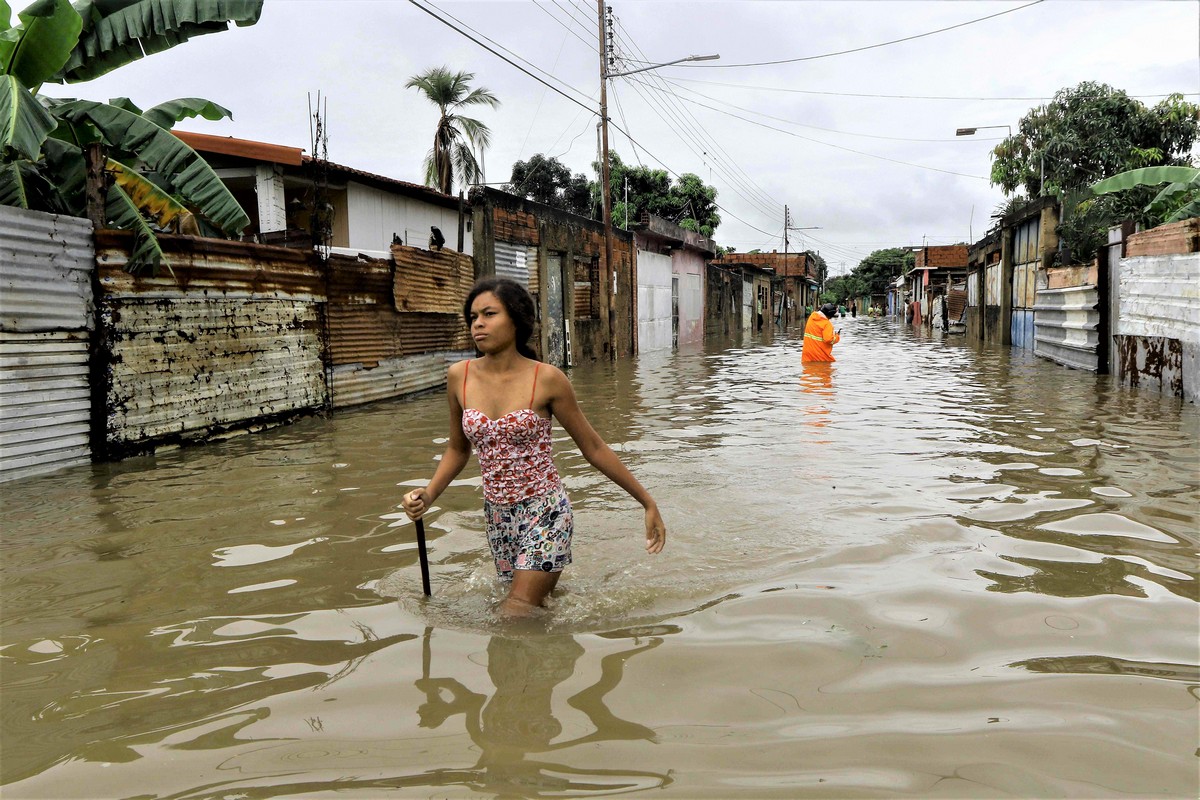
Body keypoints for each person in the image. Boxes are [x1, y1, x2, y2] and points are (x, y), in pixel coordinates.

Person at [402, 277, 666, 617]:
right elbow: (457, 449)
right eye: (472, 317)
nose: (478, 324)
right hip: (498, 519)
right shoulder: (459, 376)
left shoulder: (547, 378)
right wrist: (428, 494)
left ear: (516, 320)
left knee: (514, 613)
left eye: (488, 314)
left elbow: (594, 447)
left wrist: (647, 502)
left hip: (546, 512)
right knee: (528, 611)